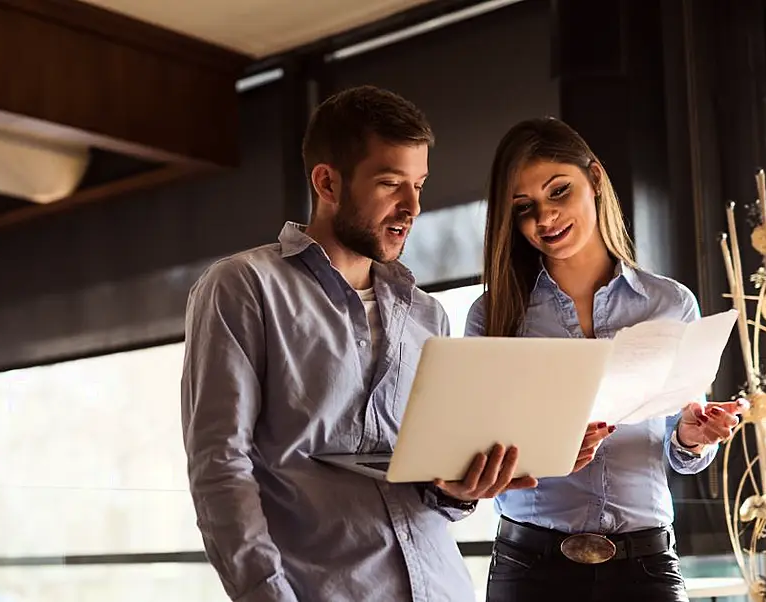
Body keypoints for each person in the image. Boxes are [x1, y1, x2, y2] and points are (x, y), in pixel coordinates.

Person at [181, 86, 560, 602]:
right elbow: (220, 467)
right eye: (390, 184)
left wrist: (458, 490)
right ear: (327, 182)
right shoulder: (244, 286)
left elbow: (432, 487)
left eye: (420, 185)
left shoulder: (426, 314)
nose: (413, 206)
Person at [464, 117, 745, 602]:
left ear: (594, 179)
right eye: (525, 207)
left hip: (646, 567)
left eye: (558, 192)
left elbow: (681, 455)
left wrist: (693, 437)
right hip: (529, 568)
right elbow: (473, 454)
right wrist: (545, 452)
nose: (545, 218)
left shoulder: (670, 303)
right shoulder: (494, 314)